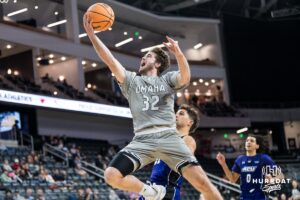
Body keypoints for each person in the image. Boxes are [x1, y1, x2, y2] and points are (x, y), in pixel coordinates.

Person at [84, 13, 222, 200]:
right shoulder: (131, 81)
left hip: (168, 136)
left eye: (147, 56)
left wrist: (179, 54)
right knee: (111, 175)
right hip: (142, 139)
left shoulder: (167, 80)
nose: (143, 58)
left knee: (203, 184)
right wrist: (92, 36)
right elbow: (110, 60)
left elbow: (185, 78)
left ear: (157, 63)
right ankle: (151, 193)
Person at [140, 104, 200, 200]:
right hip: (152, 189)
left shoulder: (188, 139)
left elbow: (186, 159)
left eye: (181, 114)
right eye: (176, 113)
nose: (176, 115)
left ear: (190, 122)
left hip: (167, 191)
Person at [216, 135, 284, 200]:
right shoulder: (240, 159)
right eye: (247, 140)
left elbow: (281, 176)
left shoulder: (264, 158)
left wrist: (272, 180)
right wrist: (223, 164)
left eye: (252, 141)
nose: (248, 142)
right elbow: (232, 179)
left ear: (257, 146)